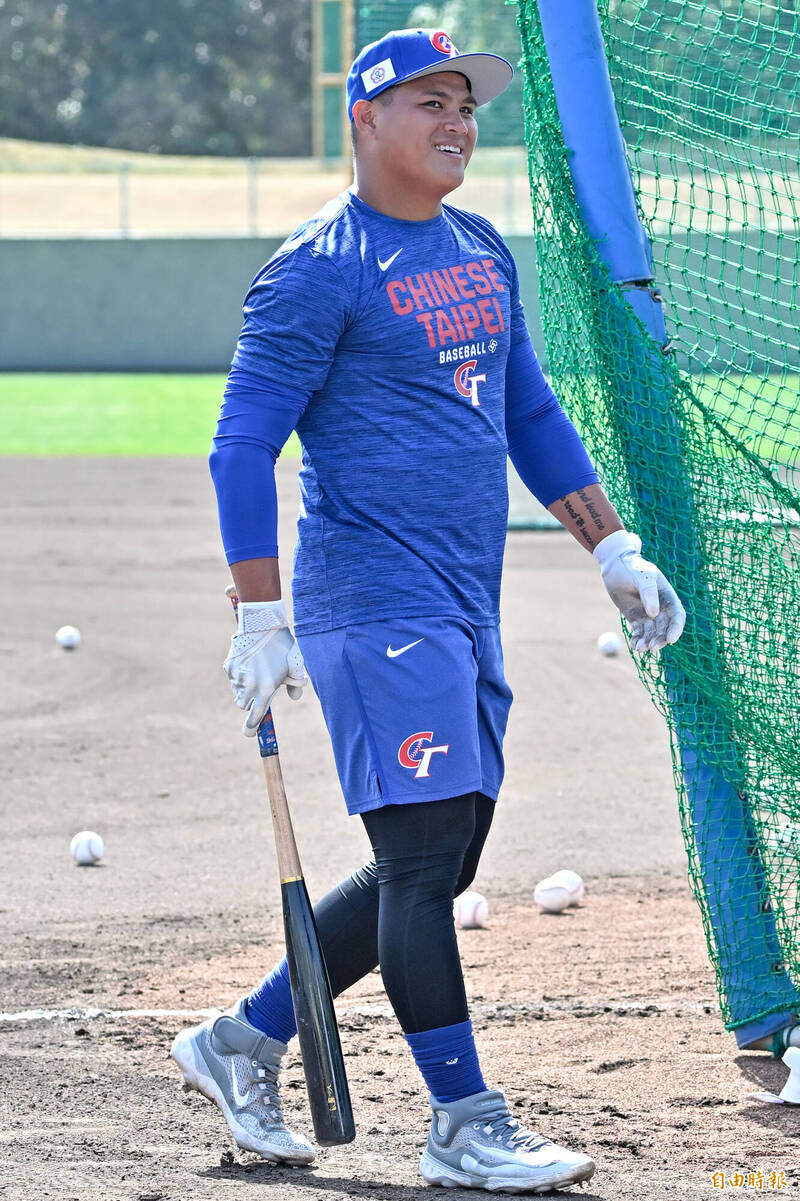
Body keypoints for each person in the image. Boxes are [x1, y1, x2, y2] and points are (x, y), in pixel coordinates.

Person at [171, 27, 686, 1193]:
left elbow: (527, 411)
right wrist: (258, 613)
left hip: (461, 599)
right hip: (372, 598)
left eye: (465, 105)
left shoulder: (478, 247)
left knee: (440, 859)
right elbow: (240, 446)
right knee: (416, 858)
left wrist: (612, 546)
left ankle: (241, 1039)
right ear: (363, 118)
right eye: (428, 103)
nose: (456, 123)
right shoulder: (317, 268)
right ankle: (463, 1121)